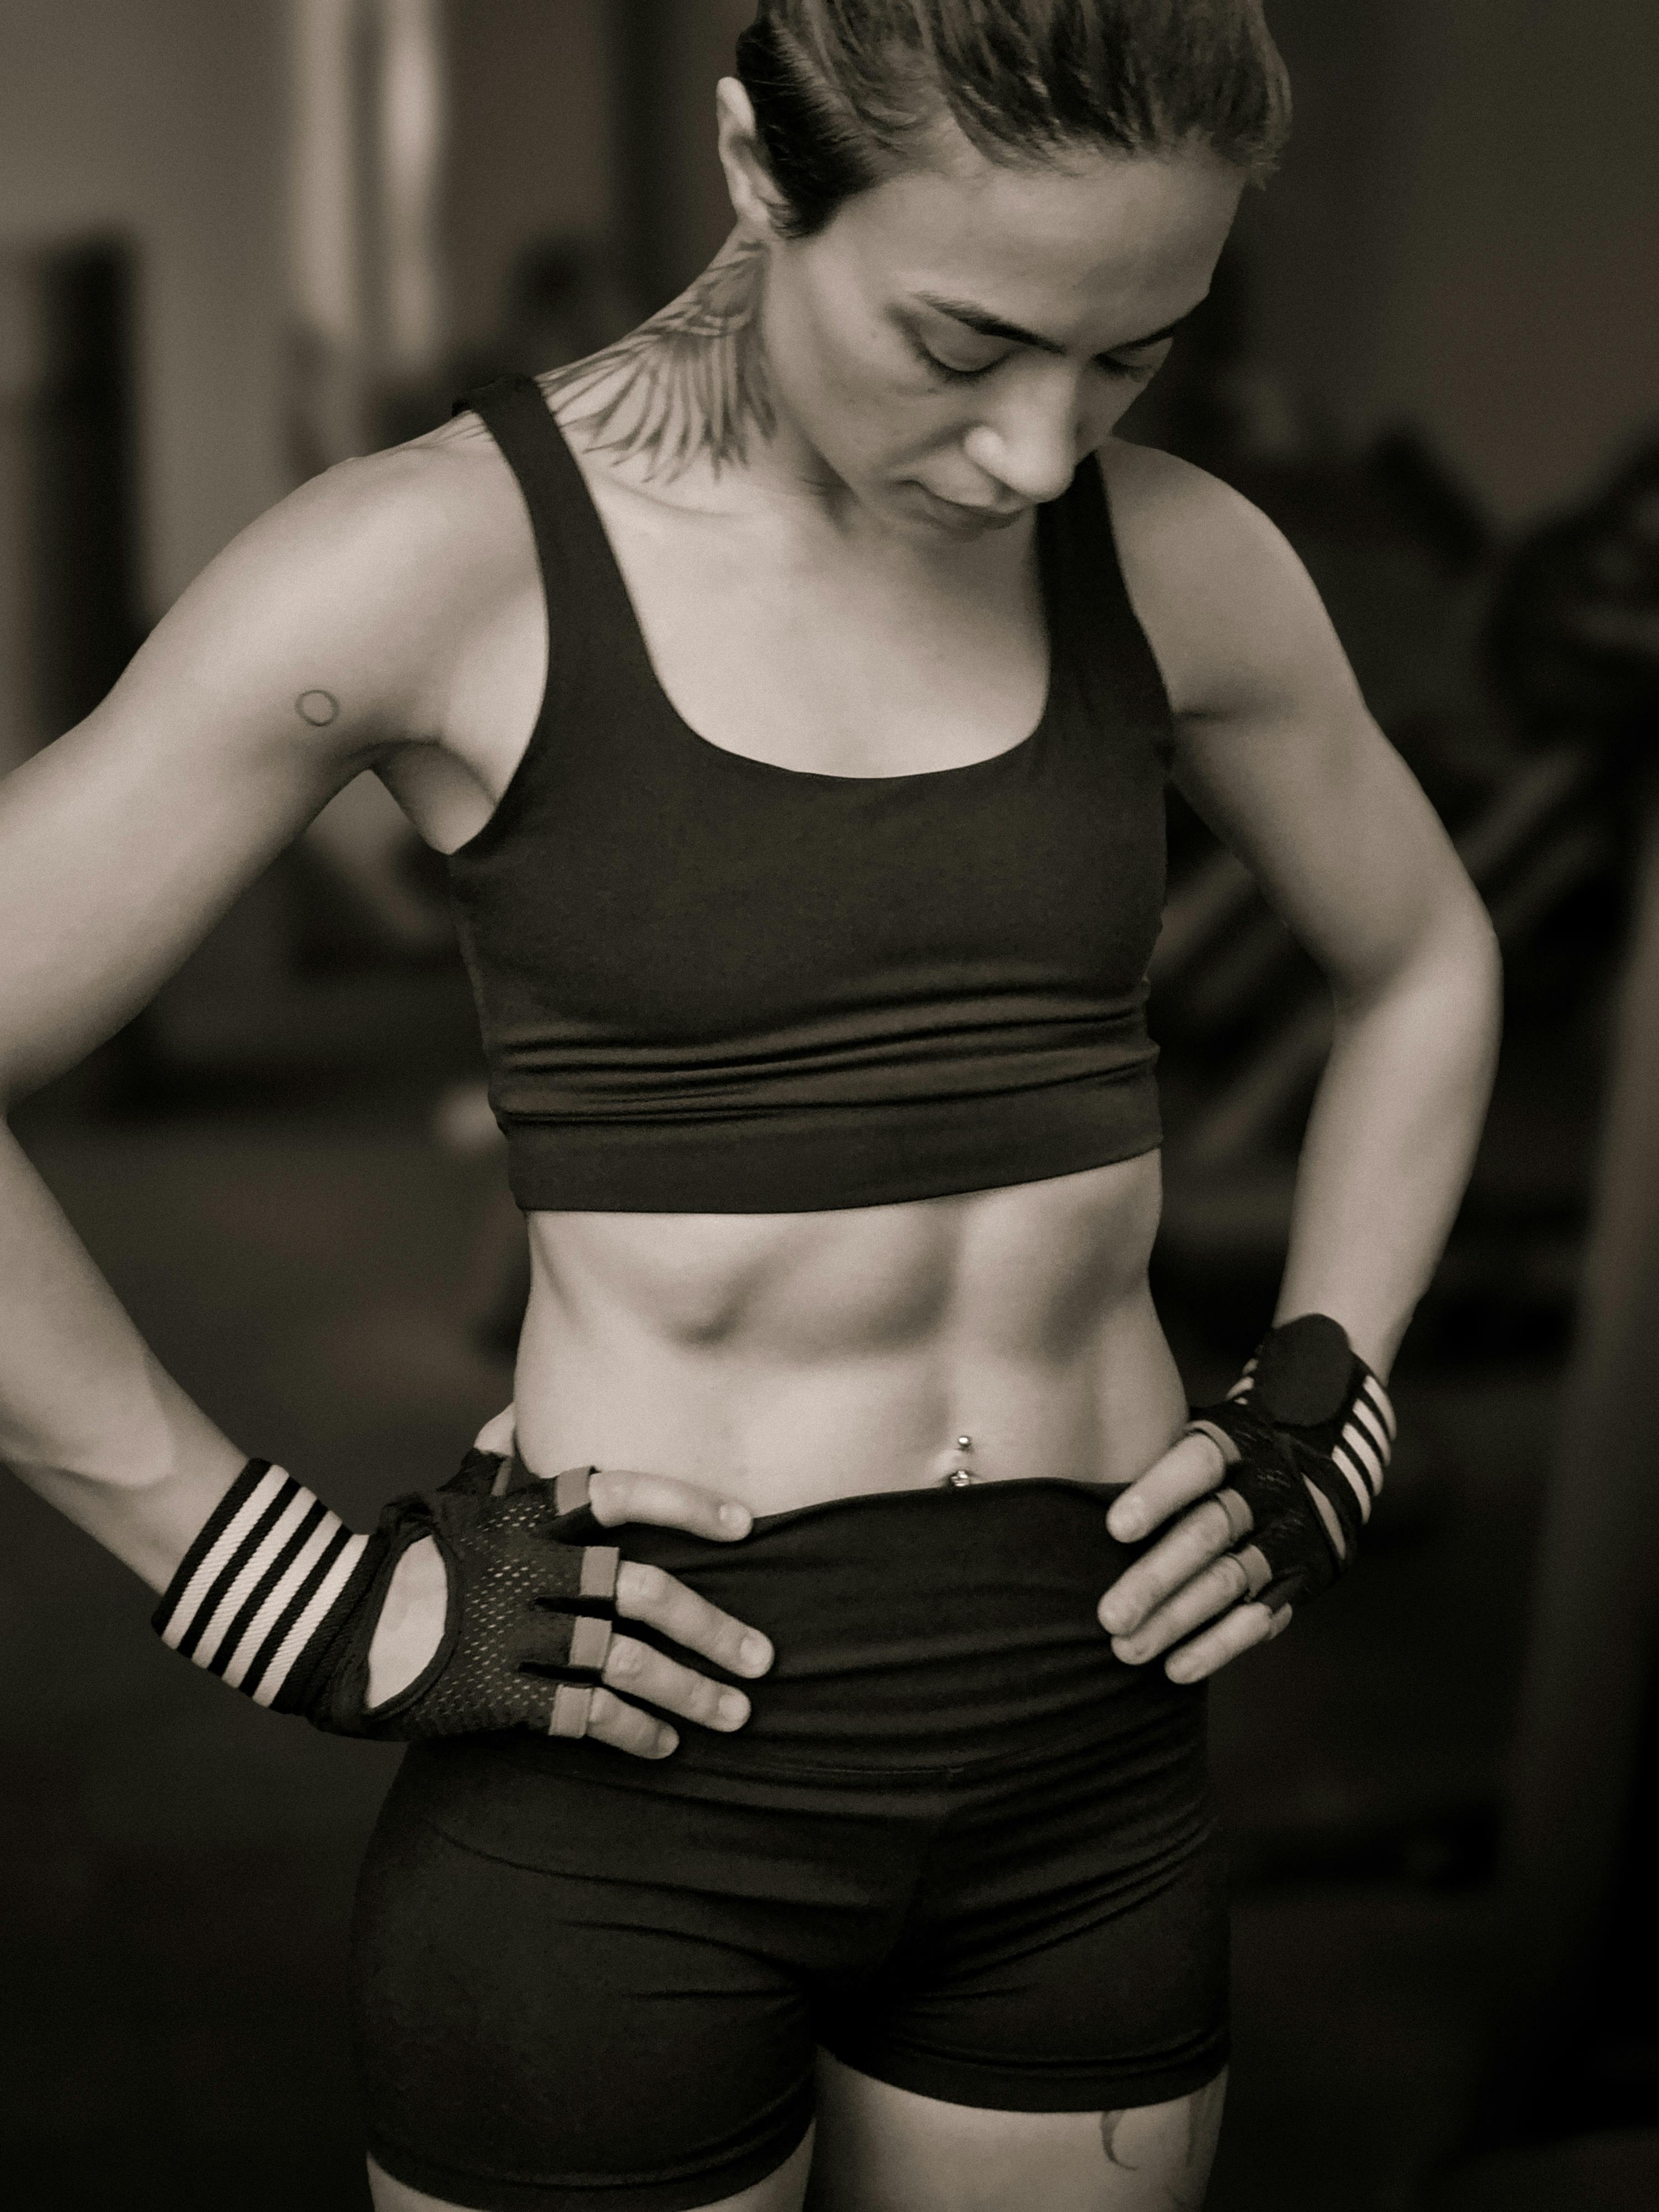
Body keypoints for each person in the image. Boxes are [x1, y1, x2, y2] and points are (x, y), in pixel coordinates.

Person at [0, 4, 1501, 2208]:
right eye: (966, 341)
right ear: (758, 165)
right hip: (625, 1795)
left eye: (1133, 355)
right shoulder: (434, 561)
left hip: (1089, 1775)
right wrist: (282, 1584)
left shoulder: (1183, 562)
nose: (1041, 451)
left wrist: (1327, 1405)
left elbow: (1426, 952)